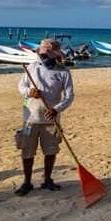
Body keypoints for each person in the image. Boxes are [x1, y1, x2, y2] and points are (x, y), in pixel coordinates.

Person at [16, 39, 74, 196]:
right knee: (27, 152)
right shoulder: (32, 67)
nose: (43, 57)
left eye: (47, 55)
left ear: (55, 55)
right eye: (41, 54)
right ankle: (27, 182)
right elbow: (21, 86)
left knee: (50, 151)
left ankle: (47, 180)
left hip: (51, 120)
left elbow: (69, 96)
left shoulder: (63, 72)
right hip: (31, 118)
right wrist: (30, 92)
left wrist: (56, 109)